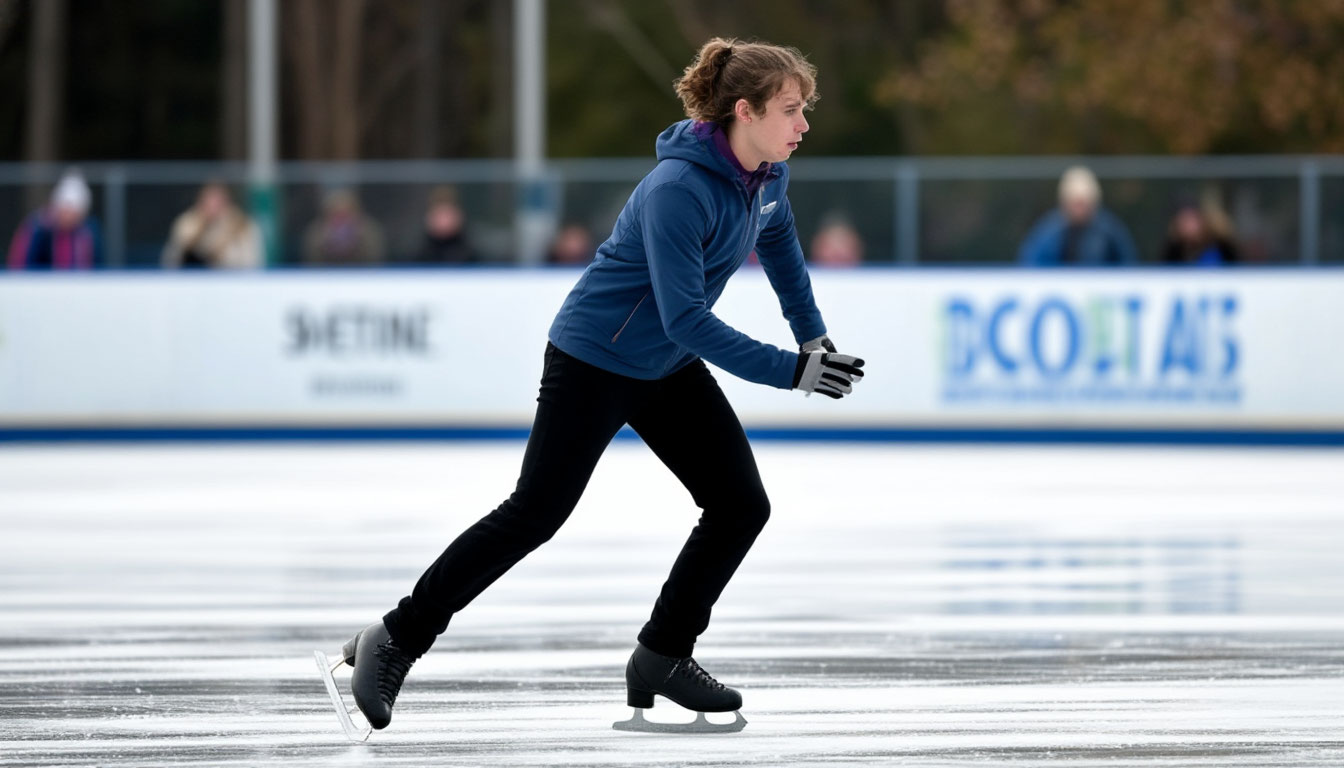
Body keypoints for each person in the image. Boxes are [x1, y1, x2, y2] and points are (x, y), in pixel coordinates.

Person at [315, 37, 866, 738]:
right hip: (593, 360)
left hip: (663, 366)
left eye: (804, 110)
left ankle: (664, 653)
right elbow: (689, 319)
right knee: (535, 514)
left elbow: (781, 242)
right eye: (791, 109)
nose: (803, 125)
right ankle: (392, 638)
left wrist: (811, 336)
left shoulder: (767, 178)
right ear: (744, 110)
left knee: (738, 505)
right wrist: (792, 372)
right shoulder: (678, 191)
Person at [1018, 166, 1139, 267]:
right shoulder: (1048, 232)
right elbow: (1030, 264)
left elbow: (1127, 265)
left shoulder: (1109, 231)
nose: (1079, 210)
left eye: (1083, 203)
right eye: (1075, 203)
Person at [7, 170, 102, 270]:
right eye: (65, 210)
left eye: (73, 213)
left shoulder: (88, 233)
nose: (68, 217)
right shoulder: (39, 230)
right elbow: (21, 262)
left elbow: (96, 265)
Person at [161, 182, 265, 269]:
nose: (213, 207)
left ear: (227, 202)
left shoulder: (242, 225)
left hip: (231, 282)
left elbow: (253, 261)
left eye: (218, 201)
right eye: (208, 201)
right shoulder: (188, 223)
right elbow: (171, 260)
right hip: (193, 283)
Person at [302, 188, 385, 266]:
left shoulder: (369, 229)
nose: (342, 221)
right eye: (337, 215)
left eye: (346, 214)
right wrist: (324, 245)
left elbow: (376, 259)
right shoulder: (316, 231)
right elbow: (310, 261)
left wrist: (360, 241)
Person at [1161, 198, 1238, 266]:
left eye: (1192, 220)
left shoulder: (1221, 246)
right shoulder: (1174, 250)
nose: (1189, 226)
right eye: (1184, 221)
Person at [415, 185, 475, 264]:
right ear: (429, 218)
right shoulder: (416, 257)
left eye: (448, 215)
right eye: (439, 215)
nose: (443, 221)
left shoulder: (472, 256)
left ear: (459, 216)